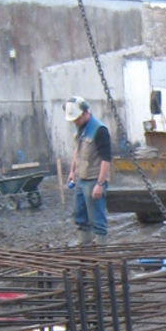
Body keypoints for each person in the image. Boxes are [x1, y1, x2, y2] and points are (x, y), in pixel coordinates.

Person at [64, 96, 111, 246]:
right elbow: (77, 153)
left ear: (85, 113)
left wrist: (100, 183)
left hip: (93, 179)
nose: (75, 122)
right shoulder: (80, 129)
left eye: (77, 119)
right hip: (81, 179)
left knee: (97, 218)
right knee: (80, 216)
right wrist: (72, 172)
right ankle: (84, 246)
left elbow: (106, 159)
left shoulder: (99, 130)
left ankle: (101, 253)